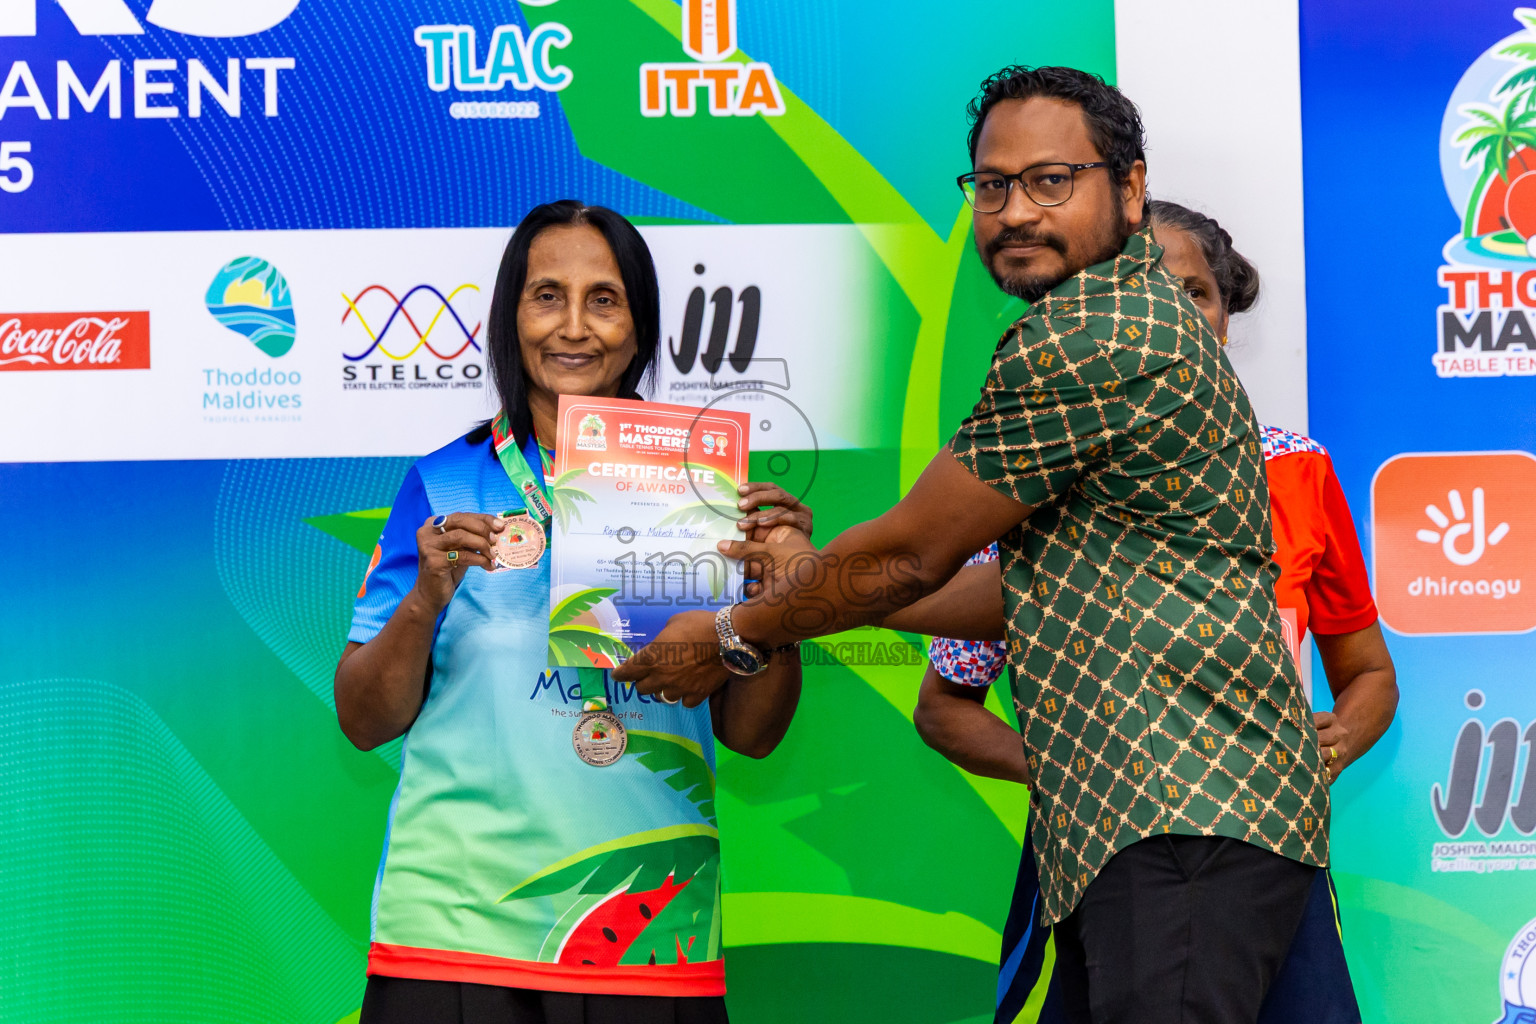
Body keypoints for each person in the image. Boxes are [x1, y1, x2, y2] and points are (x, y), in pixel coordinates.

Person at [616, 66, 1331, 1022]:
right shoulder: (1127, 323)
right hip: (1183, 822)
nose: (1015, 212)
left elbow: (910, 555)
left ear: (1129, 189)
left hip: (1179, 822)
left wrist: (734, 633)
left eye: (1051, 181)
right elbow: (1011, 588)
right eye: (993, 185)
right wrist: (809, 578)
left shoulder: (1092, 335)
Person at [912, 199, 1399, 1024]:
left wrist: (1338, 739)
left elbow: (1370, 674)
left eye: (1194, 294)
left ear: (1226, 317)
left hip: (1272, 840)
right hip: (1110, 857)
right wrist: (1078, 766)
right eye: (1144, 295)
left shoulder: (1296, 468)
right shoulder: (1033, 474)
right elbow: (943, 706)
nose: (1171, 316)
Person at [333, 200, 810, 1024]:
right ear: (511, 317)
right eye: (547, 296)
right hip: (456, 929)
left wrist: (780, 605)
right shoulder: (445, 481)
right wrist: (425, 601)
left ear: (640, 327)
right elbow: (363, 719)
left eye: (605, 299)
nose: (575, 327)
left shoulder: (707, 490)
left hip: (653, 932)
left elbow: (753, 734)